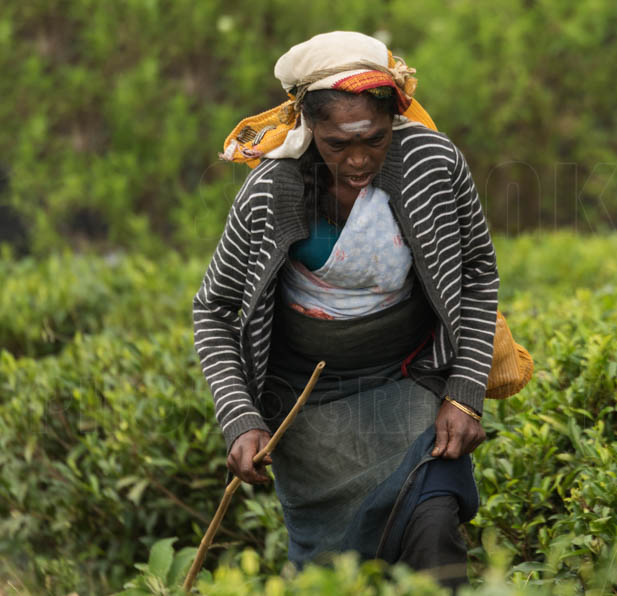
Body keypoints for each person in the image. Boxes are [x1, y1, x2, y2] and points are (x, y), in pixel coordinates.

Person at [192, 31, 499, 590]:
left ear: (393, 122)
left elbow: (478, 271)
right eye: (338, 145)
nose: (358, 161)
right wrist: (240, 418)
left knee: (435, 535)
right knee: (339, 578)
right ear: (309, 130)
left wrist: (464, 392)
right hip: (308, 412)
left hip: (410, 386)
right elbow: (213, 309)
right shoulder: (270, 191)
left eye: (374, 140)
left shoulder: (433, 164)